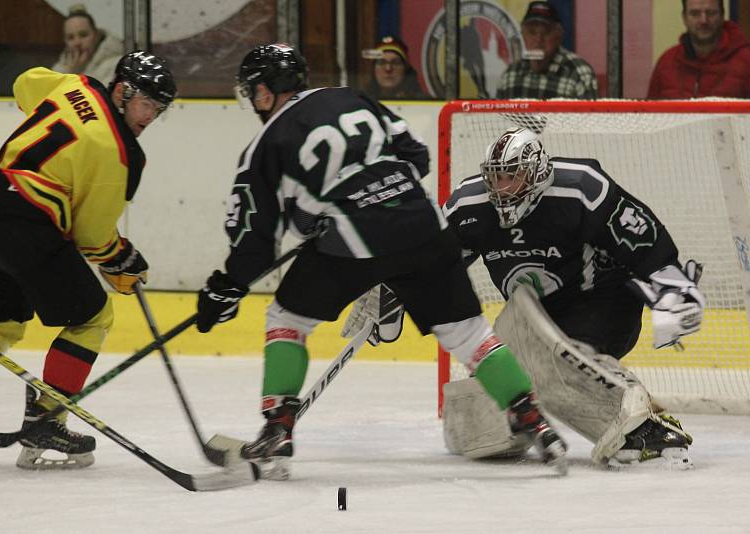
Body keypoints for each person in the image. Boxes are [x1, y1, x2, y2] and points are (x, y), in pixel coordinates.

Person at [195, 43, 567, 480]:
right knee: (467, 333)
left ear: (262, 93)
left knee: (287, 317)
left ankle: (278, 427)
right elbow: (417, 157)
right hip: (427, 226)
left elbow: (255, 244)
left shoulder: (264, 144)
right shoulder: (351, 97)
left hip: (356, 241)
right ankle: (532, 419)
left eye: (252, 93)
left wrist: (225, 287)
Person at [0, 51, 176, 469]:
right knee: (94, 317)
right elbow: (91, 236)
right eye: (148, 104)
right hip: (25, 226)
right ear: (123, 92)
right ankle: (46, 420)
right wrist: (121, 259)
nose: (151, 117)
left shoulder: (79, 85)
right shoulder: (123, 156)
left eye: (159, 110)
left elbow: (23, 84)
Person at [441, 127, 701, 468]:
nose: (502, 188)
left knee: (562, 364)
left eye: (512, 177)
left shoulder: (580, 187)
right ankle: (627, 397)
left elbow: (639, 233)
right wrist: (393, 291)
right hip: (532, 316)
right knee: (480, 414)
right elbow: (430, 263)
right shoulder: (467, 203)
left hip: (601, 299)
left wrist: (673, 285)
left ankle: (644, 428)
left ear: (536, 172)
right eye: (496, 178)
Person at [647, 0, 750, 99]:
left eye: (711, 13)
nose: (703, 20)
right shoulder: (666, 62)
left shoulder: (746, 62)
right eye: (695, 13)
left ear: (722, 16)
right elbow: (650, 114)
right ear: (684, 18)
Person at [496, 1, 598, 99]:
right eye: (532, 32)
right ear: (522, 35)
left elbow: (590, 116)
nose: (538, 39)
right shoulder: (511, 74)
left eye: (546, 32)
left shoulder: (578, 73)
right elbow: (498, 116)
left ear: (558, 36)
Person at [51, 4, 124, 85]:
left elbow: (98, 96)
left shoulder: (116, 65)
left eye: (83, 35)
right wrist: (71, 71)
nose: (77, 42)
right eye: (70, 37)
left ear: (96, 35)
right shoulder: (61, 67)